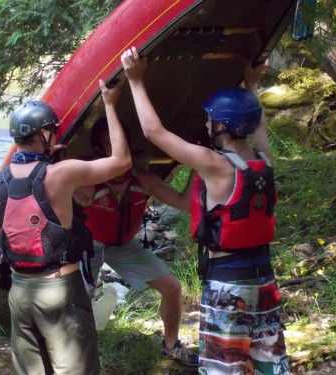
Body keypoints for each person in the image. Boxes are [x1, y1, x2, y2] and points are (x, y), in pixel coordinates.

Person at [121, 46, 290, 375]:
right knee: (265, 362)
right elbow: (260, 128)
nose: (206, 122)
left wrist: (135, 80)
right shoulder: (262, 158)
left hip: (228, 285)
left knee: (223, 368)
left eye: (211, 119)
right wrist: (251, 84)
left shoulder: (214, 165)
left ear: (223, 127)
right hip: (263, 281)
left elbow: (154, 132)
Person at [0, 79, 132, 375]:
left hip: (20, 291)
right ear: (43, 134)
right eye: (51, 132)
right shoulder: (61, 174)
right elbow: (121, 161)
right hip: (59, 292)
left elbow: (29, 194)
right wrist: (109, 103)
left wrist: (49, 159)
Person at [74, 116, 199, 367]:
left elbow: (184, 204)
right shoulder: (87, 178)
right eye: (108, 143)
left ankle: (171, 345)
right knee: (79, 300)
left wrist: (198, 163)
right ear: (99, 150)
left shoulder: (143, 179)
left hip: (124, 247)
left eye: (119, 141)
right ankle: (77, 358)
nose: (115, 147)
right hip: (90, 245)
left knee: (172, 288)